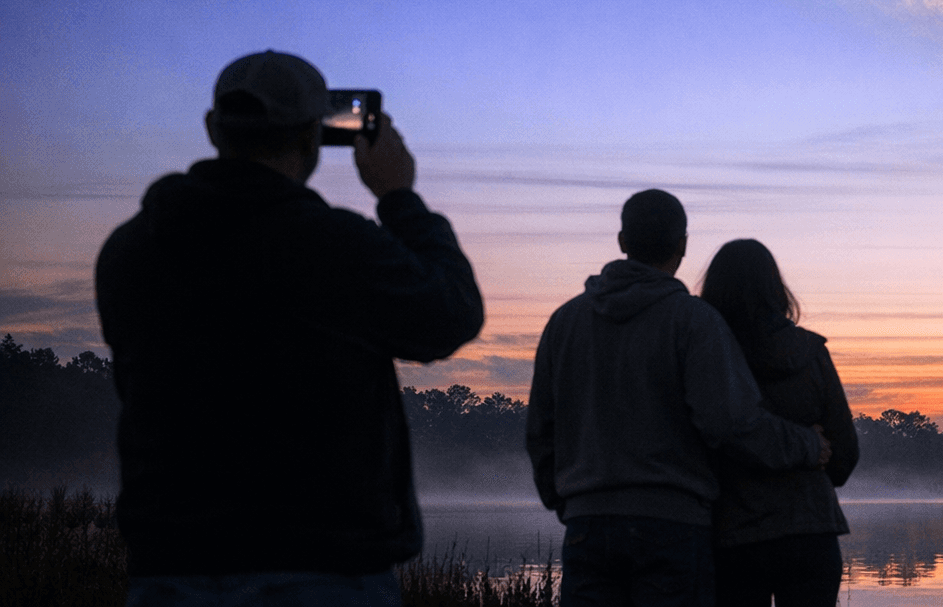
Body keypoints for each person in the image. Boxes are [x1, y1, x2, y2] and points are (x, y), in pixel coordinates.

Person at [96, 50, 484, 606]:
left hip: (170, 568)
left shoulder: (129, 250)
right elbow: (452, 314)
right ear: (314, 138)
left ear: (212, 128)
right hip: (323, 569)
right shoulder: (335, 246)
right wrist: (399, 196)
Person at [527, 190, 831, 607]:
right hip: (672, 526)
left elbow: (542, 431)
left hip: (587, 526)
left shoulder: (564, 322)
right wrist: (809, 444)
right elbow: (730, 422)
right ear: (683, 244)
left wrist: (566, 501)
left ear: (622, 241)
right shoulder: (694, 321)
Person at [697, 239, 858, 607]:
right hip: (810, 531)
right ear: (776, 287)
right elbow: (845, 454)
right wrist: (811, 456)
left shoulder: (706, 355)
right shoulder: (811, 353)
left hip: (733, 536)